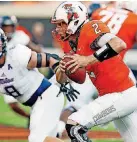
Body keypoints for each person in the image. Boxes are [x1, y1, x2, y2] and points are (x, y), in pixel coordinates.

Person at [50, 1, 137, 142]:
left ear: (75, 19)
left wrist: (87, 60)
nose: (58, 28)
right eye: (57, 25)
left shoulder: (90, 27)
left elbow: (119, 44)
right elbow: (76, 79)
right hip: (117, 96)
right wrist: (62, 69)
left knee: (74, 125)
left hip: (121, 94)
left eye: (62, 24)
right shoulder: (74, 43)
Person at [0, 28, 78, 142]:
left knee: (37, 139)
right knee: (47, 138)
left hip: (47, 96)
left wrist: (61, 77)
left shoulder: (16, 55)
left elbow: (50, 59)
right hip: (37, 104)